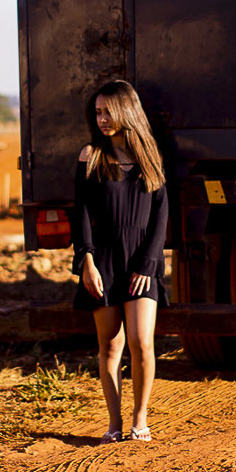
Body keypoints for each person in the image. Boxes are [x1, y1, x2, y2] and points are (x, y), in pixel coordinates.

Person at [71, 80, 168, 445]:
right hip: (105, 261)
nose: (102, 119)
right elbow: (80, 213)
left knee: (142, 342)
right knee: (110, 346)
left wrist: (149, 262)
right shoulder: (90, 156)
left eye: (108, 111)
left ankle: (139, 420)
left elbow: (161, 213)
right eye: (97, 112)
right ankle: (114, 423)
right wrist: (87, 262)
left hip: (141, 262)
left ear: (126, 111)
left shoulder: (150, 156)